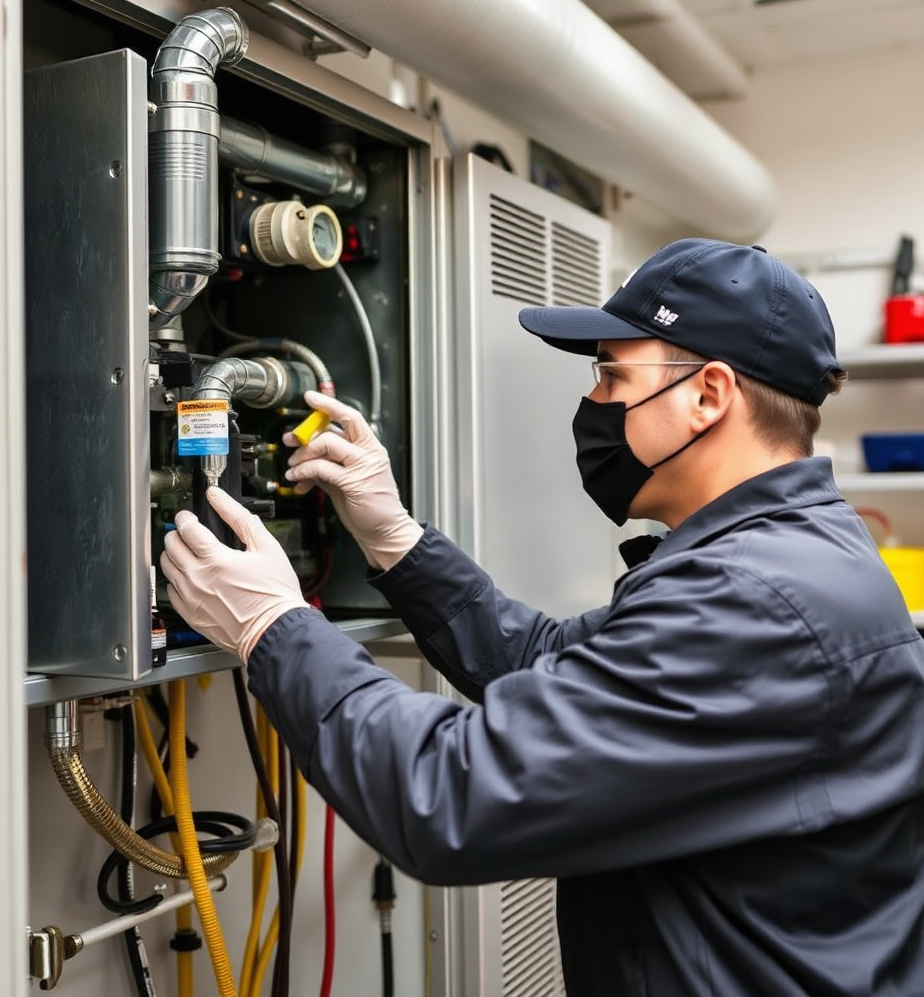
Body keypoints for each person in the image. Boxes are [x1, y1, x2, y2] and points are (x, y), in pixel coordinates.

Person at [160, 238, 924, 996]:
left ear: (709, 395)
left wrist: (273, 629)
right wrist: (396, 540)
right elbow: (549, 664)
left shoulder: (756, 599)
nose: (594, 404)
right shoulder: (779, 558)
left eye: (612, 375)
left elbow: (448, 795)